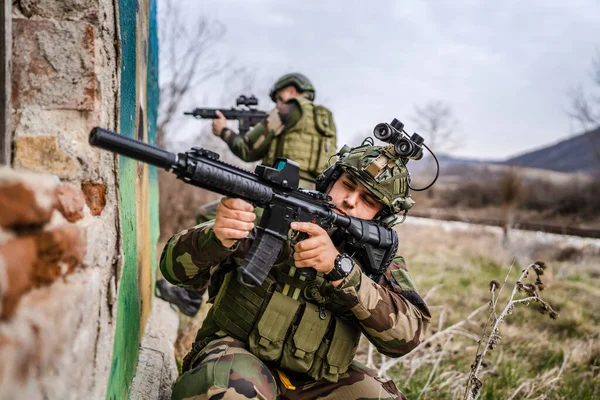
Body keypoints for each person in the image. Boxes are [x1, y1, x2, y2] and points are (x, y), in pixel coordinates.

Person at [160, 140, 431, 399]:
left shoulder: (375, 257)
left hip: (317, 380)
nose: (349, 200)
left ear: (381, 217)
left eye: (368, 201)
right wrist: (216, 238)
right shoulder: (262, 213)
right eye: (347, 185)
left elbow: (408, 336)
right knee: (229, 393)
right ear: (330, 180)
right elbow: (174, 270)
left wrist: (343, 272)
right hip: (238, 356)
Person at [156, 73, 338, 315]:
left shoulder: (286, 111)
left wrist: (224, 131)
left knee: (207, 215)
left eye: (278, 98)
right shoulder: (326, 121)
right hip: (308, 202)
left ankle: (190, 296)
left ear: (291, 90)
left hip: (279, 194)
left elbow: (247, 149)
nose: (277, 104)